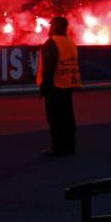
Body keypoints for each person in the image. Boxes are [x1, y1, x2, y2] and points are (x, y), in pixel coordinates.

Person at [37, 16, 81, 155]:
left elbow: (49, 67)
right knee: (68, 117)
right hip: (68, 83)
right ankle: (70, 146)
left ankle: (57, 147)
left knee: (55, 118)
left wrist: (44, 86)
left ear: (56, 27)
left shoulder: (51, 43)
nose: (49, 28)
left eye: (51, 26)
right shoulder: (71, 42)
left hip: (55, 85)